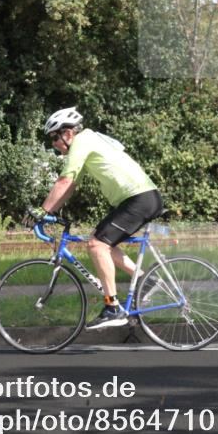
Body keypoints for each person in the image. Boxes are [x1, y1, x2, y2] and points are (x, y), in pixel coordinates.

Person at [24, 107, 164, 330]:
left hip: (139, 198)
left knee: (97, 244)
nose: (53, 144)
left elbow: (63, 182)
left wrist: (42, 212)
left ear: (68, 133)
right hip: (142, 198)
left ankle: (112, 308)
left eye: (54, 137)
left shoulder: (82, 142)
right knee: (99, 241)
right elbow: (70, 186)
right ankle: (147, 280)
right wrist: (49, 212)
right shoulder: (88, 140)